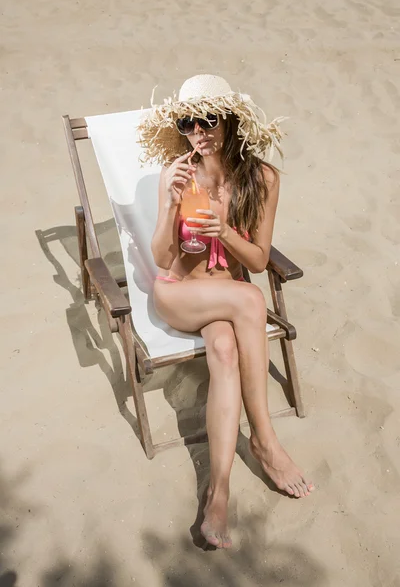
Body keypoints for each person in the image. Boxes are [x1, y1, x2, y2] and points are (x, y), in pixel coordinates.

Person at [138, 75, 314, 549]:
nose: (199, 129)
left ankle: (218, 491)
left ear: (230, 121)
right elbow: (161, 258)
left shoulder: (261, 178)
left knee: (224, 348)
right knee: (252, 298)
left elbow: (256, 261)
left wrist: (226, 232)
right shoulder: (176, 174)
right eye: (189, 121)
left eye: (209, 118)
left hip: (228, 296)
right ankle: (265, 442)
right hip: (180, 291)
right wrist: (168, 205)